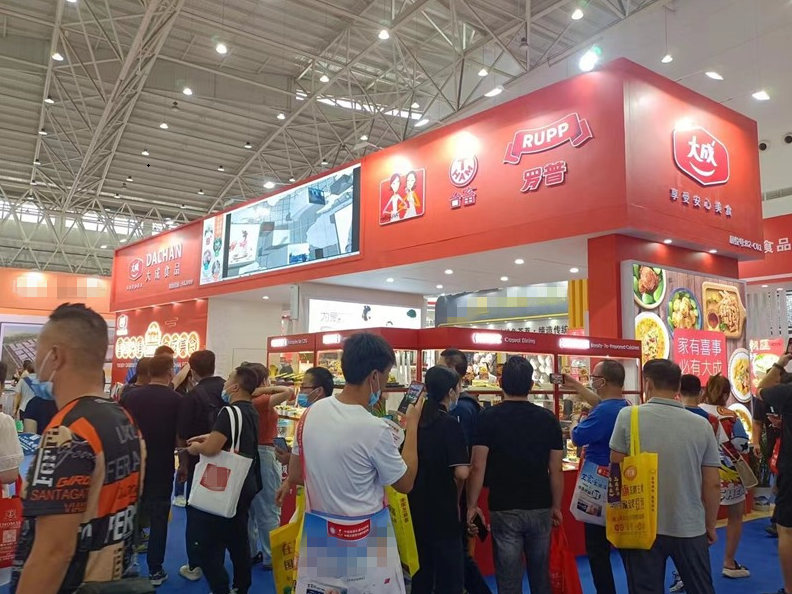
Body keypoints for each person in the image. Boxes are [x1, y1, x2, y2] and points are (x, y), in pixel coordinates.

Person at [12, 303, 144, 594]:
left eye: (38, 352)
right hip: (112, 581)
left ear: (55, 356)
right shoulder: (123, 418)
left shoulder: (67, 433)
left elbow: (53, 554)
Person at [279, 333, 422, 590]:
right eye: (386, 377)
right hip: (366, 541)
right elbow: (405, 483)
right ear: (374, 376)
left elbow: (297, 474)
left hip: (319, 539)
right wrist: (412, 427)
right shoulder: (374, 429)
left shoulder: (311, 413)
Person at [610, 359, 720, 594]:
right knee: (701, 588)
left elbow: (616, 470)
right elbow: (712, 483)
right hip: (690, 524)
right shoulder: (702, 425)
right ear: (678, 386)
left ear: (647, 383)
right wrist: (710, 524)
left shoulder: (628, 416)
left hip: (641, 525)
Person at [467, 356, 564, 594]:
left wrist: (471, 505)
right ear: (531, 385)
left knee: (508, 578)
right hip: (540, 504)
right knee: (541, 577)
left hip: (503, 505)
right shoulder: (548, 419)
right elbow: (556, 468)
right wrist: (556, 506)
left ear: (500, 382)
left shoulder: (487, 417)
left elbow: (477, 465)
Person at [187, 365, 262, 594]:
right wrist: (210, 437)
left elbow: (211, 449)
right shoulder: (250, 410)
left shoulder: (228, 412)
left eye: (228, 379)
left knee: (208, 543)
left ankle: (220, 587)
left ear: (236, 386)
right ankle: (241, 586)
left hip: (226, 484)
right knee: (239, 540)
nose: (224, 384)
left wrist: (196, 448)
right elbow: (235, 438)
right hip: (245, 482)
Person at [567, 360, 628, 594]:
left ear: (602, 381)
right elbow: (601, 403)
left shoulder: (602, 412)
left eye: (594, 377)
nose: (592, 381)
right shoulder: (625, 405)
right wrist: (577, 386)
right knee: (624, 544)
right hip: (620, 481)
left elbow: (577, 437)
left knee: (597, 548)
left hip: (598, 483)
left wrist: (577, 418)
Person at [121, 353, 182, 586]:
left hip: (132, 464)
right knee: (159, 518)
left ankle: (125, 564)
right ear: (169, 372)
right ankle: (155, 570)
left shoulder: (130, 396)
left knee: (129, 513)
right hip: (162, 465)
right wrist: (184, 464)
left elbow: (121, 429)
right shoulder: (177, 400)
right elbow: (180, 436)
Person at [409, 365, 469, 594]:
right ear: (450, 392)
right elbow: (461, 472)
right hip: (443, 510)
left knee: (421, 575)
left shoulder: (415, 422)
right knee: (450, 579)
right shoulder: (450, 424)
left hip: (415, 508)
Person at [439, 348, 491, 594]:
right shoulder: (466, 405)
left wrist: (467, 501)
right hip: (458, 490)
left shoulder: (460, 408)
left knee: (458, 553)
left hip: (455, 491)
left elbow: (466, 460)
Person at [177, 349, 226, 582]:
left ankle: (195, 565)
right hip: (225, 463)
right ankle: (218, 562)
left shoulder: (192, 396)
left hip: (199, 464)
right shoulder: (229, 390)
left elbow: (182, 434)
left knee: (197, 515)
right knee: (220, 513)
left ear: (193, 370)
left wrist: (183, 465)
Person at [697, 374, 751, 579]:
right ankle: (729, 562)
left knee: (698, 520)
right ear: (727, 394)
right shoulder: (730, 416)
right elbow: (741, 445)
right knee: (735, 516)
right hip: (729, 473)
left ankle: (691, 568)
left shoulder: (695, 411)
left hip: (699, 471)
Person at [246, 362, 294, 570]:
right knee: (268, 507)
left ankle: (251, 552)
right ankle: (270, 556)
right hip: (264, 454)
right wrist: (267, 389)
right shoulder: (261, 400)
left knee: (250, 509)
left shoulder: (245, 400)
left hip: (249, 454)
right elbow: (288, 392)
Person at [758, 352, 792, 594]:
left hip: (791, 471)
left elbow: (761, 389)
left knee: (787, 529)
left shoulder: (788, 393)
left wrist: (781, 362)